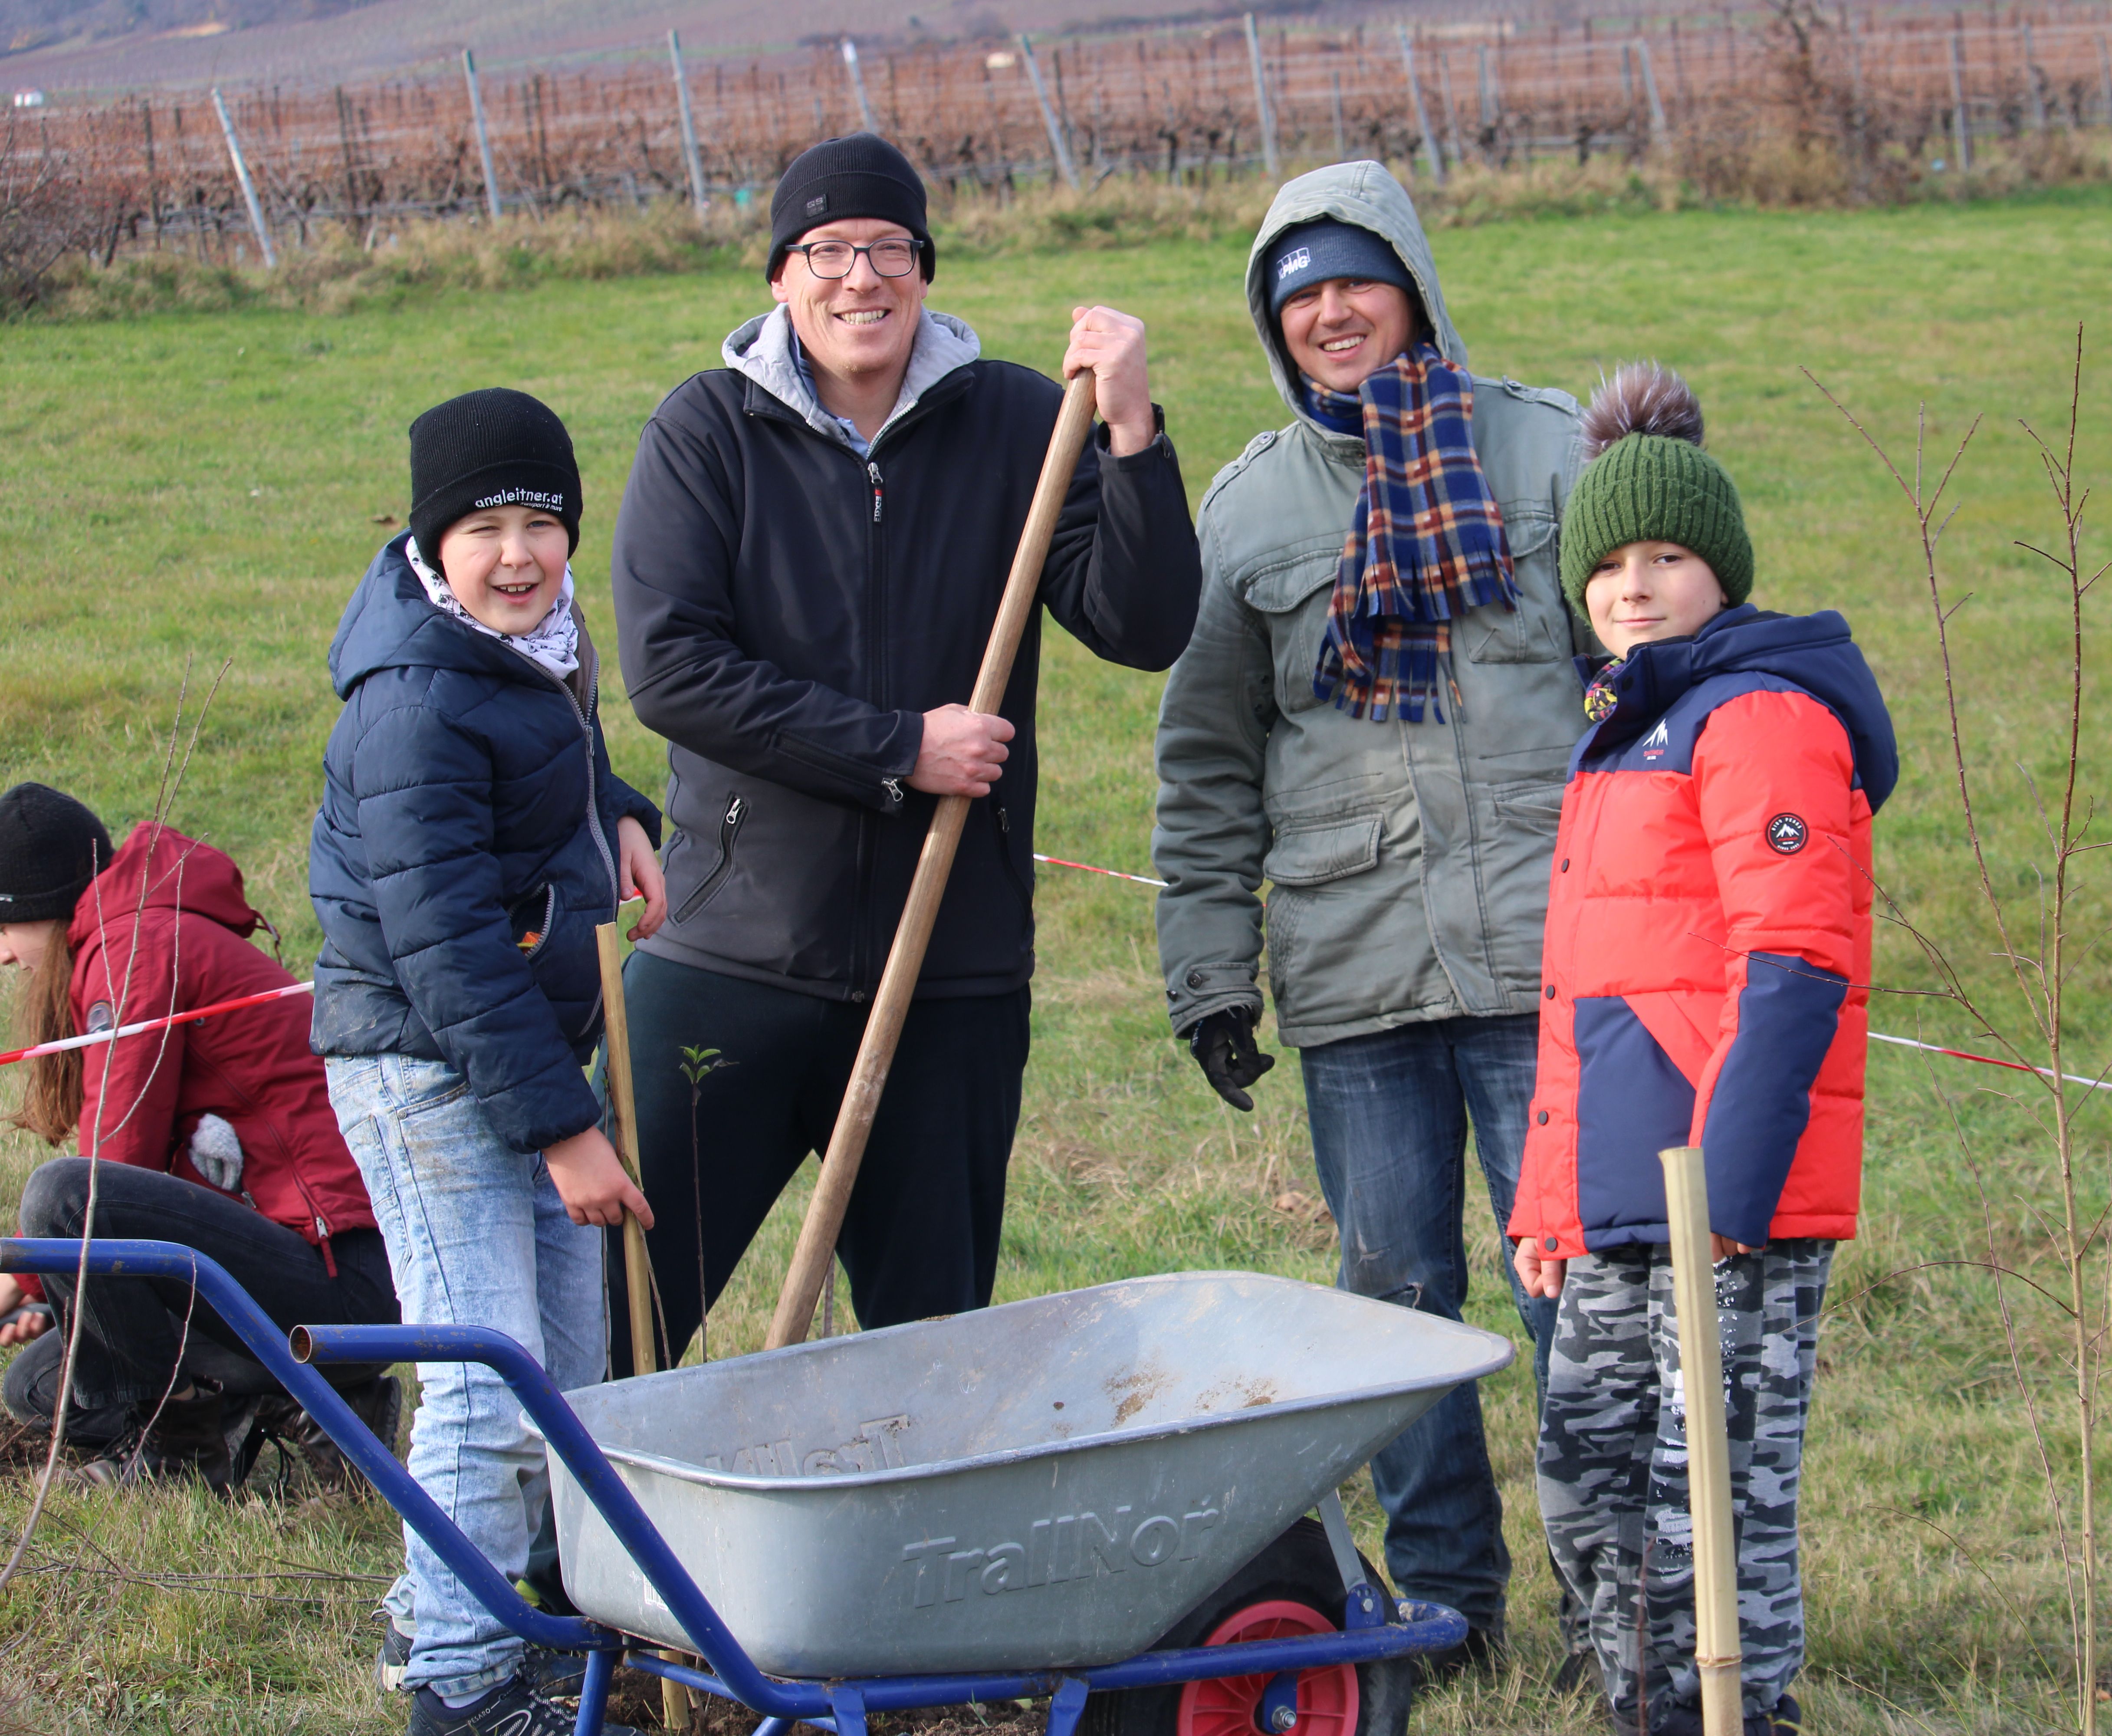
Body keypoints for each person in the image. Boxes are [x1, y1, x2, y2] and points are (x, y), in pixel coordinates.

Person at [604, 133, 1200, 1359]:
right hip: (735, 953)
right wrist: (894, 748)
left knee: (926, 1358)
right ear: (780, 275)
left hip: (952, 970)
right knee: (620, 1320)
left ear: (923, 270)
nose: (858, 279)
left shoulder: (1028, 421)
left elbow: (1145, 625)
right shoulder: (705, 434)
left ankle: (888, 1552)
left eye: (887, 249)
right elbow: (674, 671)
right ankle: (572, 1553)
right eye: (825, 252)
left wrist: (1132, 431)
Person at [1150, 160, 1583, 1660]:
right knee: (1395, 1305)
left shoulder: (1549, 454)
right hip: (1357, 967)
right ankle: (1448, 1602)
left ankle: (1626, 1590)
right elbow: (1204, 766)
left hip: (1555, 953)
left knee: (1580, 1297)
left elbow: (1660, 681)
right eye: (1299, 295)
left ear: (1412, 284)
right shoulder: (1249, 510)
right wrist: (1208, 971)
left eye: (1355, 280)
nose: (1331, 312)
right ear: (1274, 326)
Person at [1505, 366, 1899, 1736]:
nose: (1634, 584)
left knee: (1713, 1505)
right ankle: (1641, 1710)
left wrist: (1726, 1198)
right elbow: (1581, 996)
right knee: (1589, 1478)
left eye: (1666, 557)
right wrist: (1548, 1200)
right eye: (1608, 562)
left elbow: (1794, 966)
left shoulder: (1762, 719)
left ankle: (1735, 1715)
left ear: (1719, 572)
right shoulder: (1620, 738)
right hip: (1615, 1202)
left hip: (1726, 1207)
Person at [310, 386, 665, 1736]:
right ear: (429, 540)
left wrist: (618, 815)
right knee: (485, 1371)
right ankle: (458, 1681)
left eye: (542, 524)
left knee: (564, 1375)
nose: (518, 554)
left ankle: (528, 1627)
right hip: (425, 1070)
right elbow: (448, 945)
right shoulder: (414, 702)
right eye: (486, 529)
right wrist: (570, 1132)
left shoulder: (522, 645)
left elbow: (550, 767)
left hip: (520, 1054)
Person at [0, 783, 395, 1492]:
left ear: (43, 908)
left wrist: (21, 1274)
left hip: (346, 1276)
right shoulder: (130, 937)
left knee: (62, 1198)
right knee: (36, 1388)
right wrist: (47, 1291)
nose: (3, 957)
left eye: (3, 929)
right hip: (281, 1256)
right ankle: (315, 1399)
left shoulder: (135, 950)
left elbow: (109, 1167)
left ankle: (175, 1453)